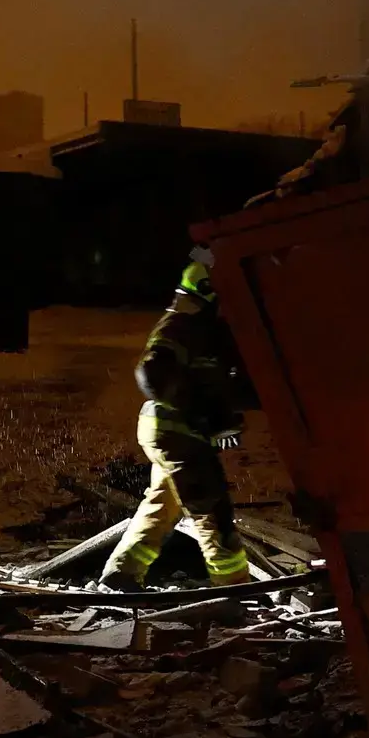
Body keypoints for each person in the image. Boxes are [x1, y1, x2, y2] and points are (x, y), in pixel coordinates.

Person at [100, 252, 253, 589]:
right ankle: (235, 589)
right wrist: (203, 414)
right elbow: (154, 373)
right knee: (212, 513)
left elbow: (213, 384)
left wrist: (224, 415)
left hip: (172, 431)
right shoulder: (181, 326)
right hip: (176, 431)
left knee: (160, 508)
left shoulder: (203, 331)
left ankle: (120, 575)